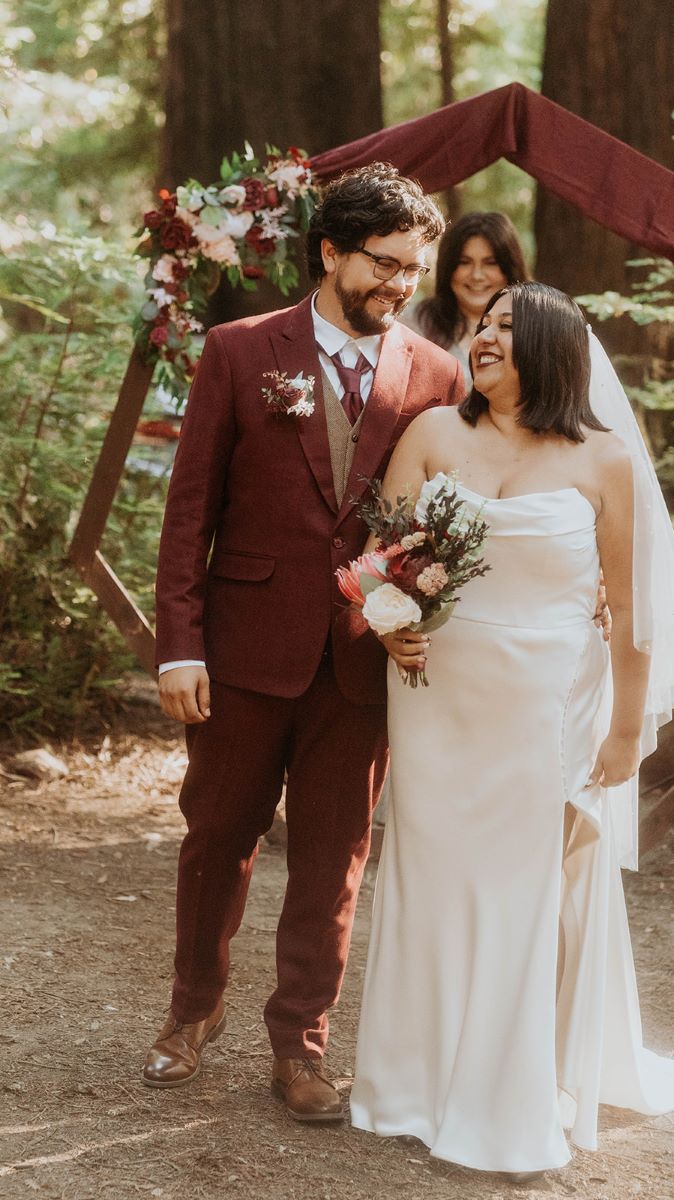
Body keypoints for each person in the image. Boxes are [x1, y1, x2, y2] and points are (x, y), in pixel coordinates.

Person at [350, 282, 674, 1174]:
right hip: (435, 694)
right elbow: (377, 558)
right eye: (484, 325)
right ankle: (408, 1081)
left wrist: (626, 731)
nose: (485, 338)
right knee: (431, 880)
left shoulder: (601, 460)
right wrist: (385, 613)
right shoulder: (433, 433)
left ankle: (504, 1106)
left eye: (509, 330)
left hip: (546, 704)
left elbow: (630, 612)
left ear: (551, 349)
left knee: (520, 894)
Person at [142, 164, 465, 1120]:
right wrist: (179, 647)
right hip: (240, 653)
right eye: (384, 263)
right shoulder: (241, 352)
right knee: (217, 842)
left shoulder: (437, 375)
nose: (400, 285)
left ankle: (300, 1048)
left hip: (362, 663)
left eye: (414, 269)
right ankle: (191, 1014)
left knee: (335, 861)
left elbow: (439, 522)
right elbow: (187, 511)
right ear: (328, 252)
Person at [407, 210, 528, 385]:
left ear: (510, 269)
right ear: (448, 268)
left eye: (490, 263)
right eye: (464, 262)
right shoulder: (414, 324)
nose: (477, 275)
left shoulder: (537, 326)